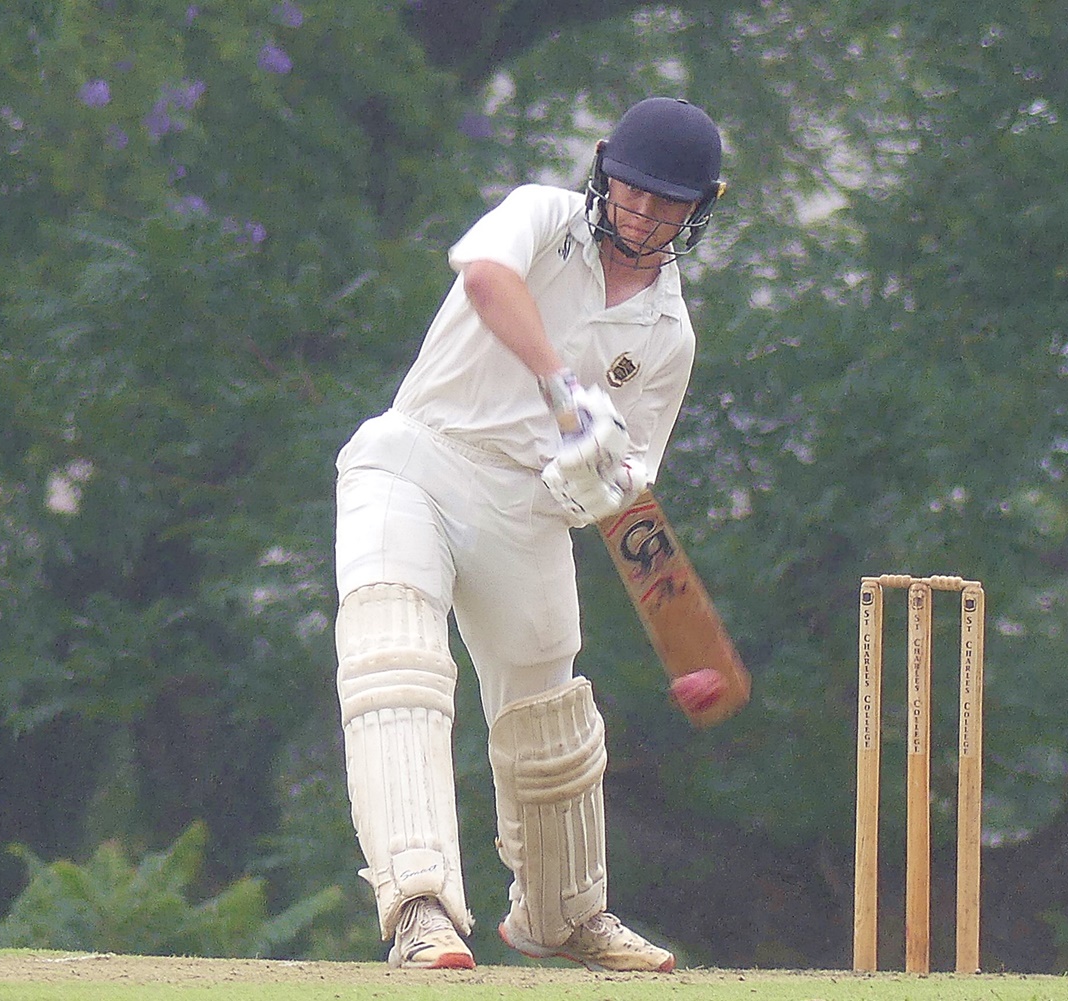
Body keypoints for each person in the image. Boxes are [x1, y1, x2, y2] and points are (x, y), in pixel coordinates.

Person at [333, 97, 725, 972]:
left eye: (670, 204)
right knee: (394, 664)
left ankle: (562, 914)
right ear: (603, 174)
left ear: (698, 212)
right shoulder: (542, 218)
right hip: (419, 455)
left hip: (527, 509)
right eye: (633, 192)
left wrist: (595, 479)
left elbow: (627, 488)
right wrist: (562, 384)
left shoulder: (669, 333)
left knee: (548, 715)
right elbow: (485, 280)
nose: (645, 214)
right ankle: (420, 909)